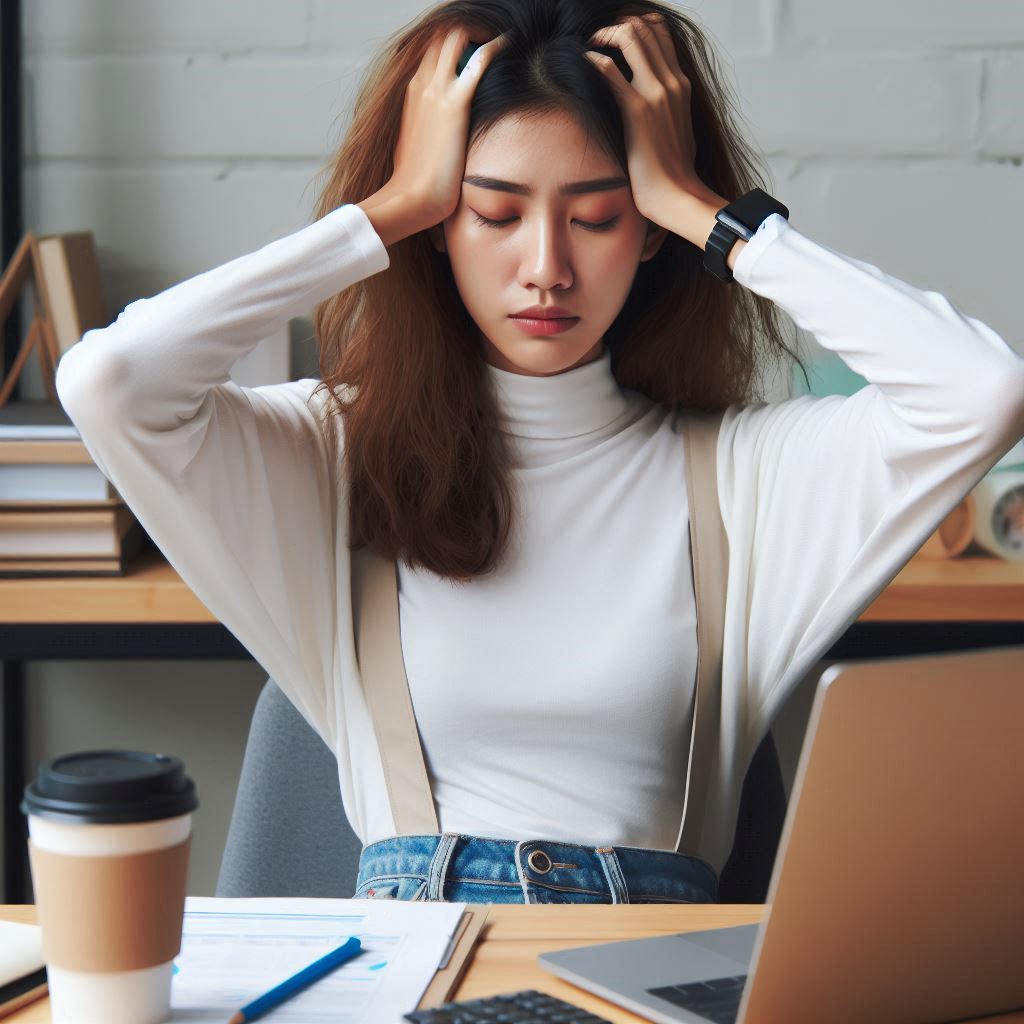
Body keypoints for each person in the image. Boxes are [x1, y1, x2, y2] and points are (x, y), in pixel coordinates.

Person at [55, 0, 1024, 906]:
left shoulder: (742, 478)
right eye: (493, 211)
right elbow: (111, 383)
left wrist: (709, 214)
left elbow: (982, 393)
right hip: (410, 972)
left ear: (648, 232)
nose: (547, 267)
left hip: (643, 979)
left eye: (599, 215)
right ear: (440, 225)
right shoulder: (331, 454)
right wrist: (386, 211)